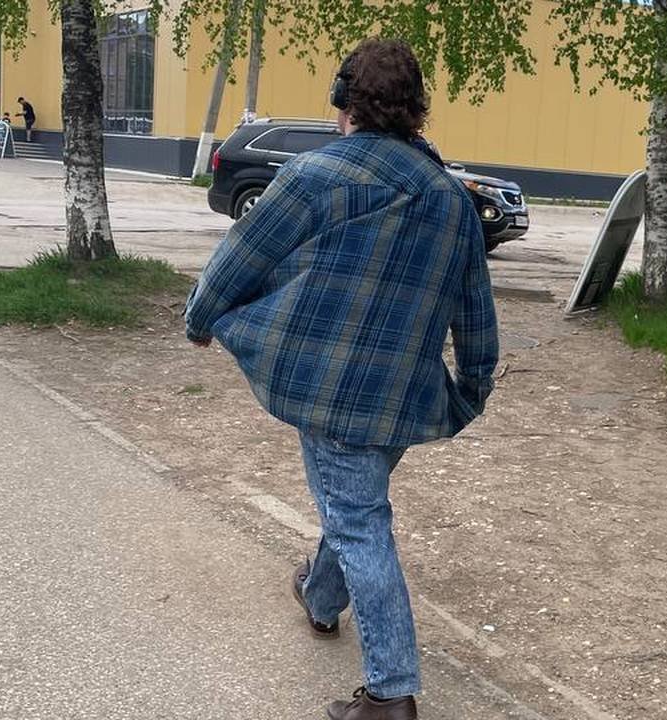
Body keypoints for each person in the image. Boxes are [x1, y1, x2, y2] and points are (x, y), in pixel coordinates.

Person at [183, 38, 498, 720]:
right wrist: (471, 389)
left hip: (331, 389)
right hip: (405, 395)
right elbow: (475, 309)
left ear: (343, 102)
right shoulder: (451, 199)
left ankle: (391, 693)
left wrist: (201, 318)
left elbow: (241, 256)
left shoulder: (313, 175)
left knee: (358, 520)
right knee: (352, 500)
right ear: (416, 110)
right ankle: (320, 596)